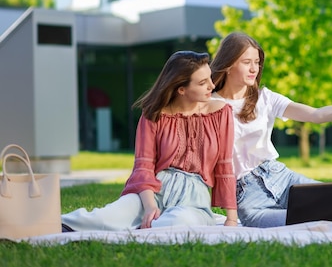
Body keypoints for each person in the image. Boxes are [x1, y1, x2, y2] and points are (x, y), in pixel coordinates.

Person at [61, 51, 238, 231]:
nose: (212, 85)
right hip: (153, 191)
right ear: (181, 89)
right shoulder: (153, 115)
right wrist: (150, 207)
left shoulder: (221, 113)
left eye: (209, 78)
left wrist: (231, 219)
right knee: (105, 217)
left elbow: (224, 166)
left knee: (177, 223)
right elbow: (143, 167)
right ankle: (52, 224)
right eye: (202, 83)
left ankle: (146, 227)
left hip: (193, 198)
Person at [210, 32, 332, 228]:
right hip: (248, 198)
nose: (254, 69)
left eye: (257, 62)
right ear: (228, 64)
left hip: (281, 178)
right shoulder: (209, 105)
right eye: (246, 62)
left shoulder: (265, 98)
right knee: (304, 222)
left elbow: (315, 115)